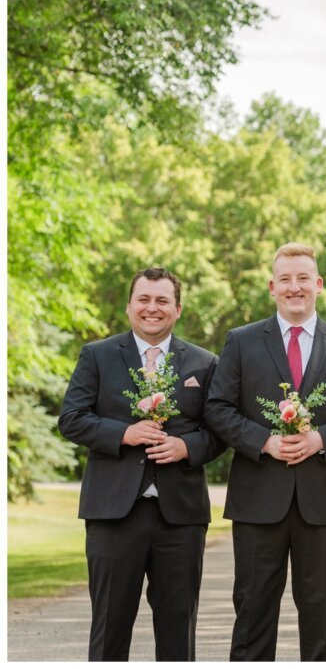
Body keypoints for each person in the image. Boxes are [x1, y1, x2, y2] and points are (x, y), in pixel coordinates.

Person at [204, 242, 326, 661]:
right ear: (272, 286)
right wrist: (263, 441)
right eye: (285, 279)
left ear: (318, 284)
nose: (294, 287)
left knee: (321, 615)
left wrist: (322, 439)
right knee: (252, 610)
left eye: (303, 278)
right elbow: (217, 407)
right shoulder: (242, 342)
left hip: (324, 503)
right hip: (258, 500)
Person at [59, 267, 222, 661]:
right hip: (113, 515)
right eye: (144, 299)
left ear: (178, 309)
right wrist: (123, 434)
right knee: (109, 632)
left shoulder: (204, 363)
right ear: (130, 306)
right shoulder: (97, 355)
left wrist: (187, 448)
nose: (153, 308)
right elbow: (72, 418)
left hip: (180, 517)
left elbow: (220, 431)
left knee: (178, 633)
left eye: (162, 300)